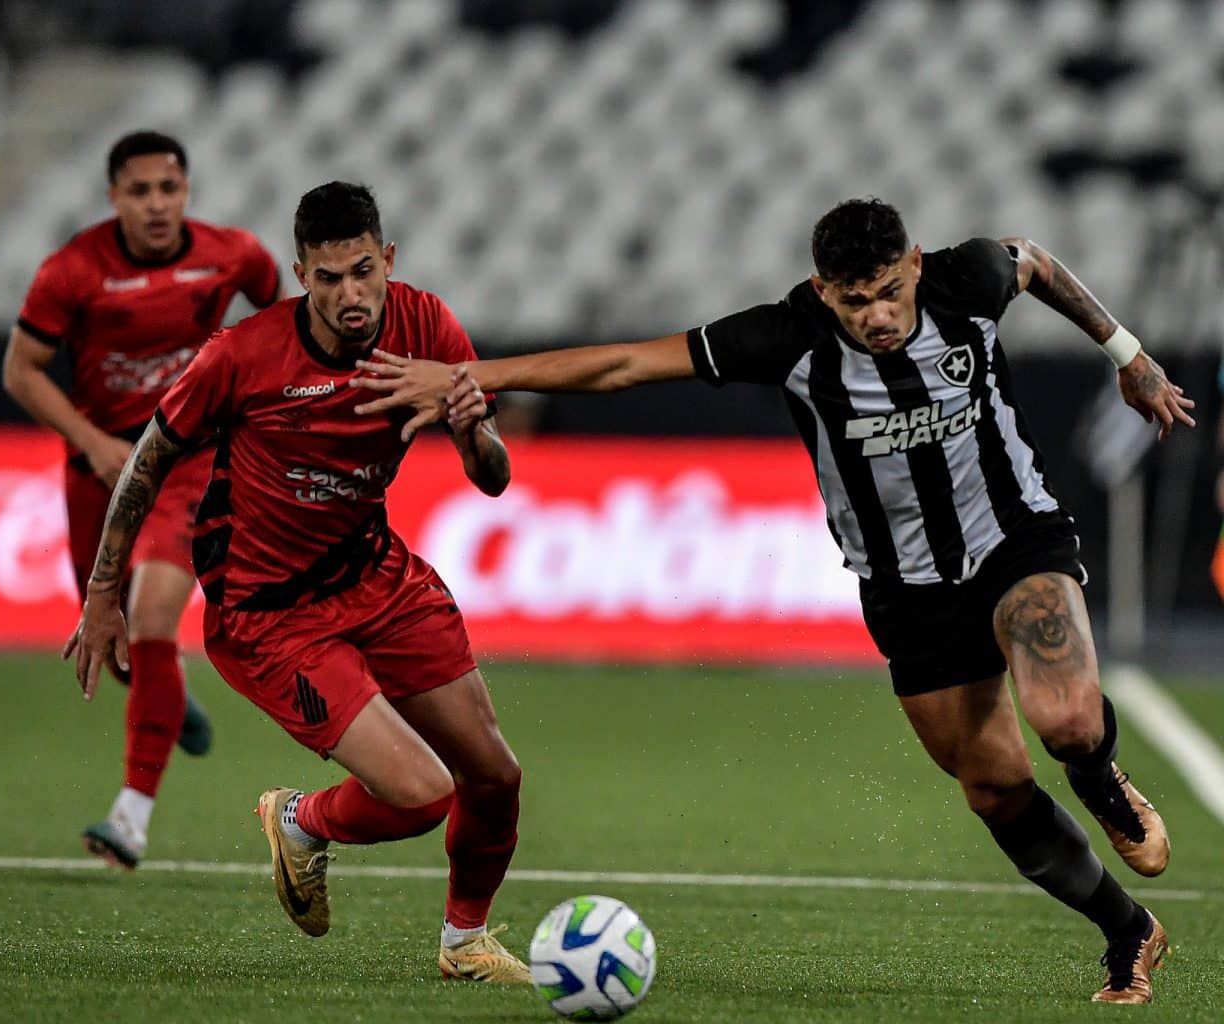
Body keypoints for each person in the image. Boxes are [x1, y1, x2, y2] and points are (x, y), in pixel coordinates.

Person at [351, 198, 1198, 1005]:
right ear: (824, 289)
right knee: (994, 788)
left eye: (891, 292)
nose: (878, 317)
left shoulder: (968, 277)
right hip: (904, 589)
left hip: (1015, 539)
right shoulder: (788, 335)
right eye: (856, 300)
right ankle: (1128, 931)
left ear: (915, 264)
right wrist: (469, 373)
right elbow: (622, 365)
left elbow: (1038, 264)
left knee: (1066, 721)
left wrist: (1128, 354)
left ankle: (1099, 776)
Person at [64, 181, 531, 983]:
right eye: (328, 278)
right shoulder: (244, 355)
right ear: (299, 275)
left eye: (362, 272)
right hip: (273, 614)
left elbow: (492, 476)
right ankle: (298, 818)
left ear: (387, 260)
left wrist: (469, 426)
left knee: (494, 776)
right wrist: (103, 592)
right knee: (423, 795)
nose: (350, 295)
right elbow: (149, 461)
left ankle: (465, 946)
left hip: (376, 574)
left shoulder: (428, 327)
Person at [3, 130, 289, 869]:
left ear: (187, 191)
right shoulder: (72, 271)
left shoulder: (233, 254)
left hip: (187, 457)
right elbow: (21, 370)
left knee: (154, 614)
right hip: (98, 469)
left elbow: (281, 314)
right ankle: (166, 697)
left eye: (170, 189)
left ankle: (129, 819)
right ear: (114, 198)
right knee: (113, 638)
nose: (157, 205)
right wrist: (93, 442)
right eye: (140, 191)